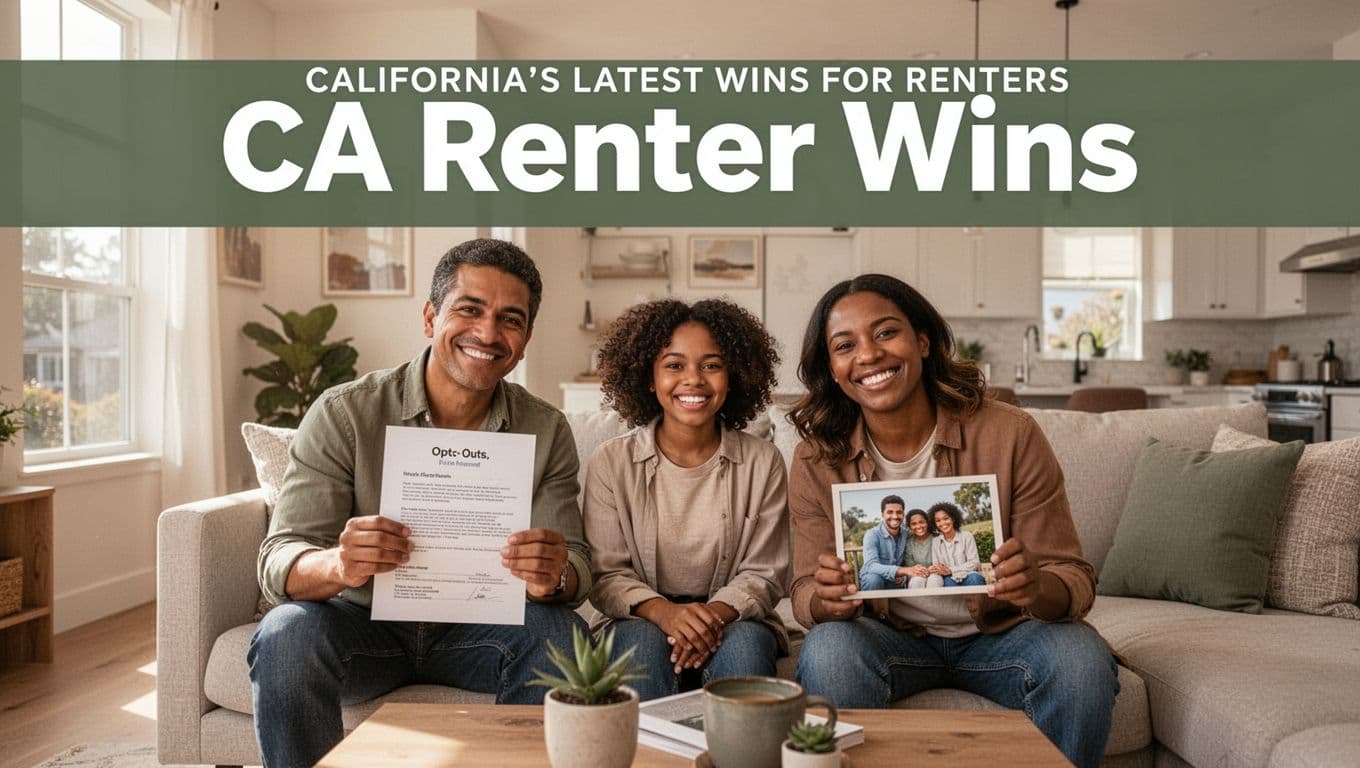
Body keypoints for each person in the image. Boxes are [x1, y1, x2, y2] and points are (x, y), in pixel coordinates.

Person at [249, 239, 591, 768]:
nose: (487, 333)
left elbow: (576, 565)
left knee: (562, 634)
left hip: (481, 632)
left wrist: (555, 575)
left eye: (510, 320)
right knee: (286, 634)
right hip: (363, 626)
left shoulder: (546, 428)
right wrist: (339, 563)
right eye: (469, 310)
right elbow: (279, 560)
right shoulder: (345, 414)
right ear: (431, 317)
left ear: (524, 341)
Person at [786, 274, 1118, 768]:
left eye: (885, 333)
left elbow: (1072, 578)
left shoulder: (1012, 433)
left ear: (921, 341)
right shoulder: (817, 458)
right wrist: (826, 599)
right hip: (889, 638)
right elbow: (804, 592)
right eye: (845, 345)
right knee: (829, 648)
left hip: (1003, 635)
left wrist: (1034, 585)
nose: (869, 355)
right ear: (833, 369)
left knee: (1080, 659)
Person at [583, 298, 789, 701]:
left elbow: (765, 573)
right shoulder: (611, 462)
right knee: (638, 649)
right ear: (649, 377)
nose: (693, 379)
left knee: (746, 648)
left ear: (732, 377)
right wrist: (666, 614)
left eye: (711, 365)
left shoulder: (764, 462)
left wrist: (706, 619)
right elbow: (605, 574)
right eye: (674, 365)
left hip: (735, 617)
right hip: (639, 618)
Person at [857, 495, 910, 591]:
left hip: (895, 581)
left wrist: (904, 576)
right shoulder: (872, 534)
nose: (895, 516)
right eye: (890, 512)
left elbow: (908, 561)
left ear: (903, 514)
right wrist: (900, 571)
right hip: (874, 579)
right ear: (882, 514)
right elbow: (871, 565)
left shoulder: (906, 535)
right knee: (874, 579)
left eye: (899, 512)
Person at [928, 502, 985, 587]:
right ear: (935, 523)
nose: (943, 523)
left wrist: (951, 570)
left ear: (953, 519)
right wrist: (934, 569)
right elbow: (937, 565)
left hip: (968, 575)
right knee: (948, 584)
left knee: (975, 579)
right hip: (949, 578)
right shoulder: (936, 541)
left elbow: (974, 562)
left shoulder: (967, 536)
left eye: (946, 518)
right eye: (938, 520)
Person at [901, 509, 941, 590]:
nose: (918, 526)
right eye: (914, 524)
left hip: (936, 573)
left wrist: (933, 570)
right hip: (916, 574)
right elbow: (910, 565)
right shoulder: (909, 543)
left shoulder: (937, 538)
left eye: (921, 522)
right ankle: (916, 603)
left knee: (934, 580)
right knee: (917, 581)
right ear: (909, 526)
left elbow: (942, 561)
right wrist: (923, 571)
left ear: (927, 522)